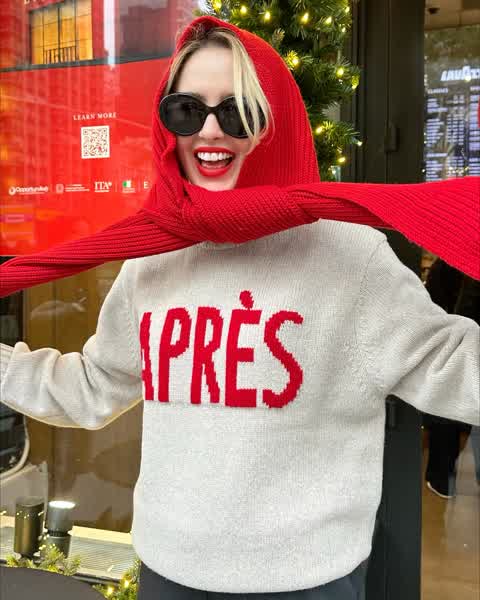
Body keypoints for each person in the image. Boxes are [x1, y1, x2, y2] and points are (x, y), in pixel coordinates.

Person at [0, 15, 479, 600]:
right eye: (185, 111)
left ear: (273, 122)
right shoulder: (153, 258)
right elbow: (94, 387)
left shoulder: (349, 256)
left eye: (239, 112)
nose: (209, 131)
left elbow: (455, 369)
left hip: (306, 584)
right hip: (168, 573)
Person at [423, 258, 480, 498]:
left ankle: (442, 480)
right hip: (464, 343)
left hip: (455, 344)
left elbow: (430, 306)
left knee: (446, 412)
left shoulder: (449, 262)